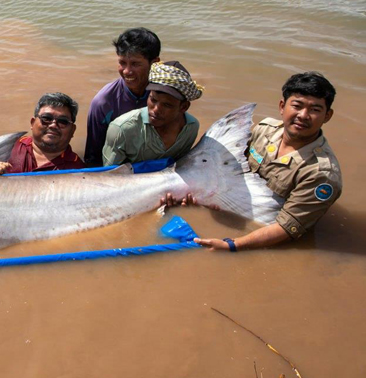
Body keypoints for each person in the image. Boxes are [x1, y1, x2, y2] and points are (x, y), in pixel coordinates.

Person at [170, 72, 342, 251]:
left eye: (315, 110)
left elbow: (289, 227)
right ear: (282, 106)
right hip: (236, 201)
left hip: (266, 227)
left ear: (327, 116)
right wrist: (204, 194)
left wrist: (233, 245)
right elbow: (230, 165)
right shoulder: (264, 129)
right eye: (297, 106)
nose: (303, 115)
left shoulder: (322, 174)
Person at [84, 28, 161, 166]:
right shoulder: (104, 102)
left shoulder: (165, 96)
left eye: (135, 64)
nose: (127, 71)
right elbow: (93, 155)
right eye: (122, 63)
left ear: (154, 63)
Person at [102, 61, 203, 166]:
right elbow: (109, 175)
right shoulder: (121, 129)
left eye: (167, 105)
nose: (155, 110)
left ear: (184, 107)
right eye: (153, 100)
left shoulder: (191, 128)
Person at [0, 93, 85, 174]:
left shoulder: (77, 170)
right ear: (32, 123)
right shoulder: (6, 147)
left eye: (63, 121)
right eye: (46, 118)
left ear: (72, 130)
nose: (53, 125)